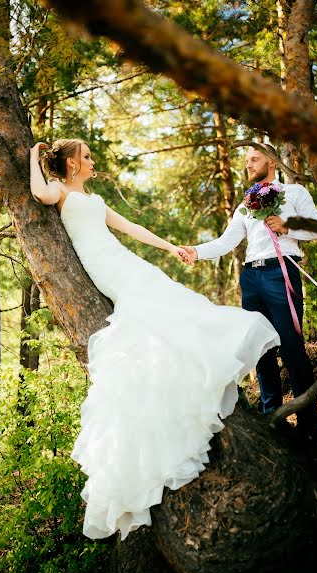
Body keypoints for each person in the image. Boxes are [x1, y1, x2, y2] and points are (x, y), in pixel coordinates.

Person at [29, 139, 280, 541]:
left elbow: (131, 228)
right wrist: (33, 152)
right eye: (88, 156)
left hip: (121, 258)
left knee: (162, 294)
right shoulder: (58, 190)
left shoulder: (91, 197)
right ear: (72, 163)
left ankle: (198, 358)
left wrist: (169, 247)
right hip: (102, 265)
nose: (93, 161)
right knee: (149, 308)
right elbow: (39, 192)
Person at [181, 144, 317, 440]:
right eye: (246, 161)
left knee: (291, 346)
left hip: (280, 271)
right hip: (252, 277)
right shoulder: (246, 204)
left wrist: (288, 228)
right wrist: (196, 251)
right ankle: (272, 420)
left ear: (271, 162)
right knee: (261, 349)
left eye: (254, 159)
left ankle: (310, 424)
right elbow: (227, 241)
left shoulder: (294, 193)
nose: (248, 165)